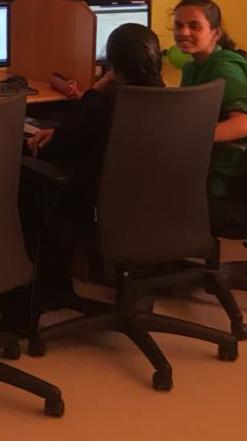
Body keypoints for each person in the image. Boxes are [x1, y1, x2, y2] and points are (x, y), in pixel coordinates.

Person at [14, 23, 165, 322]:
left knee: (29, 174)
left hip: (97, 213)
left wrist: (94, 90)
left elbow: (59, 149)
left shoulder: (109, 103)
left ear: (113, 66)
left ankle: (36, 294)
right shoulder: (167, 100)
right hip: (155, 210)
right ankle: (56, 287)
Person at [172, 0, 247, 198]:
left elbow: (245, 125)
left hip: (223, 169)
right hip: (203, 157)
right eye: (178, 25)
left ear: (216, 33)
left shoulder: (225, 67)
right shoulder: (193, 67)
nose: (183, 32)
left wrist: (186, 138)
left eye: (194, 26)